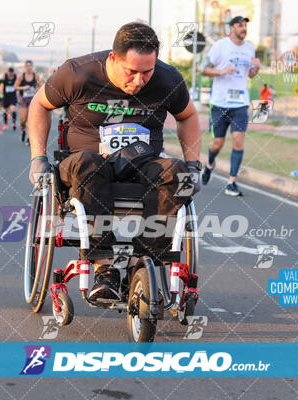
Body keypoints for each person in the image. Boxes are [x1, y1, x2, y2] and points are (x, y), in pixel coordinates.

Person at [27, 22, 202, 302]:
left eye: (147, 72)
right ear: (113, 58)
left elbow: (188, 117)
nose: (139, 80)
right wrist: (38, 157)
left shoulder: (168, 79)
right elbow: (40, 105)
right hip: (85, 166)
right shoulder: (78, 73)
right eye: (131, 71)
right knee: (88, 163)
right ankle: (105, 267)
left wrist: (192, 165)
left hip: (142, 165)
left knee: (176, 172)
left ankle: (145, 261)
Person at [200, 16, 261, 196]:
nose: (244, 28)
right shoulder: (220, 46)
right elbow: (203, 69)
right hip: (220, 103)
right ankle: (210, 164)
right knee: (218, 143)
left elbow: (249, 75)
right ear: (232, 27)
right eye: (240, 25)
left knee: (238, 140)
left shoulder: (250, 47)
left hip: (241, 103)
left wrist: (256, 68)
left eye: (245, 26)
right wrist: (221, 71)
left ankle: (232, 182)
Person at [15, 60, 41, 145]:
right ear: (25, 67)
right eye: (27, 65)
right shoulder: (21, 76)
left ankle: (29, 137)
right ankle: (23, 130)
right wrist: (24, 87)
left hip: (32, 100)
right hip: (23, 99)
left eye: (30, 65)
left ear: (32, 66)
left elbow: (40, 86)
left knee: (31, 120)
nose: (29, 67)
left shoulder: (35, 76)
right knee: (23, 120)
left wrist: (35, 90)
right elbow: (16, 87)